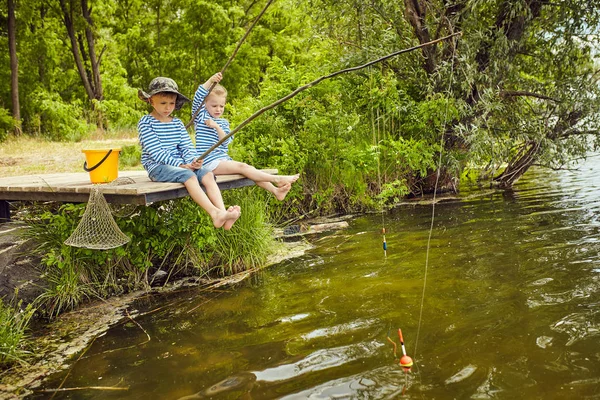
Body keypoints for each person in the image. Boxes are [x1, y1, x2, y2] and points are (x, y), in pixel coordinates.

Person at [138, 77, 240, 230]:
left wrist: (194, 160)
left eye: (171, 103)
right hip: (158, 167)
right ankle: (214, 213)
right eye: (163, 103)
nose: (168, 108)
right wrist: (180, 165)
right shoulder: (146, 122)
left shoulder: (177, 123)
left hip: (182, 165)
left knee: (207, 174)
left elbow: (187, 147)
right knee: (190, 176)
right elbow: (155, 151)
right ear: (151, 101)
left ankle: (223, 213)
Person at [192, 72, 299, 201]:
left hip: (223, 160)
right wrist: (211, 80)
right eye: (214, 106)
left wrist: (217, 127)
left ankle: (276, 191)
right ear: (205, 105)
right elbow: (199, 95)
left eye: (221, 106)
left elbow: (225, 143)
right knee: (243, 167)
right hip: (208, 162)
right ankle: (277, 179)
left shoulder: (223, 123)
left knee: (248, 170)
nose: (218, 109)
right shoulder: (200, 116)